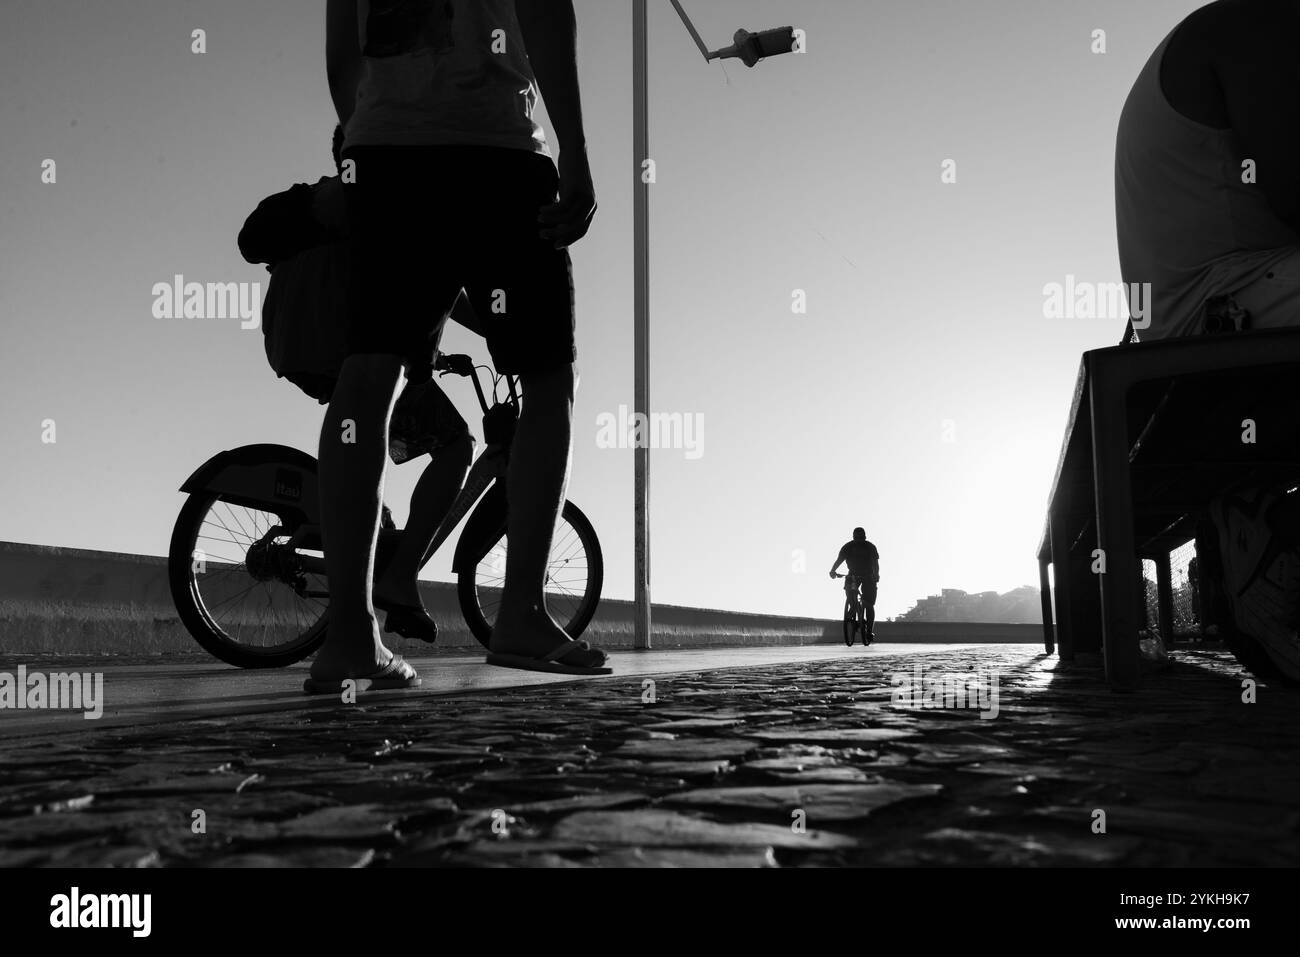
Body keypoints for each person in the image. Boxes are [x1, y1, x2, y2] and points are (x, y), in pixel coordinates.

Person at [311, 0, 606, 690]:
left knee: (367, 375)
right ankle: (523, 614)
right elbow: (543, 10)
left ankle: (352, 635)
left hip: (386, 152)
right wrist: (577, 150)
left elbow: (340, 44)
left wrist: (361, 133)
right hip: (495, 149)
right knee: (546, 379)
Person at [237, 125, 476, 663]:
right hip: (353, 355)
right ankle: (400, 576)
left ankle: (374, 556)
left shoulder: (316, 199)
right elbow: (441, 291)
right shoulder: (380, 206)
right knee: (456, 445)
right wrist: (504, 333)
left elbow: (252, 240)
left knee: (364, 447)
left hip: (301, 353)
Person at [1116, 0, 1300, 684]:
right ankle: (1263, 546)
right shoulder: (1258, 24)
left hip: (1208, 303)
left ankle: (1259, 540)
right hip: (1221, 304)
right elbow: (1293, 191)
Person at [829, 528, 880, 642]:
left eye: (861, 538)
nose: (858, 540)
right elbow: (839, 560)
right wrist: (833, 570)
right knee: (849, 593)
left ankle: (869, 631)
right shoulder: (847, 547)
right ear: (853, 537)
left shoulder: (870, 547)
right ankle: (853, 609)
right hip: (852, 574)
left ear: (865, 537)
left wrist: (876, 575)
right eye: (856, 538)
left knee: (869, 604)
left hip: (868, 576)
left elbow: (876, 564)